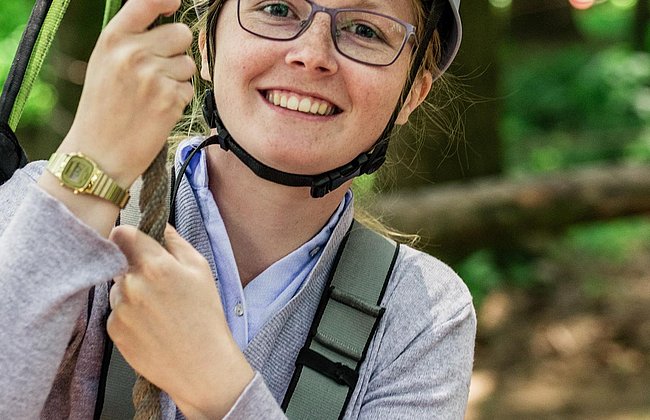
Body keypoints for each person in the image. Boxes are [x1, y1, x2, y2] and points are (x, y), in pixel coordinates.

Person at [0, 0, 475, 418]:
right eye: (276, 9)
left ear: (412, 93)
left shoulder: (421, 316)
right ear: (207, 47)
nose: (311, 55)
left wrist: (216, 385)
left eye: (365, 30)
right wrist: (91, 169)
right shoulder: (47, 206)